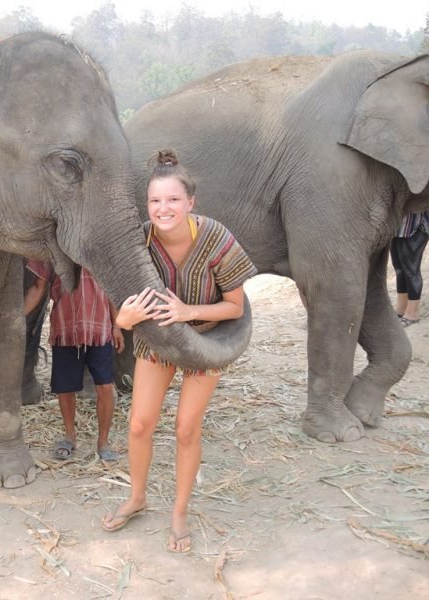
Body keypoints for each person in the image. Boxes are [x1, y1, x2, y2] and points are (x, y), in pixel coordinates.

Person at [100, 149, 257, 553]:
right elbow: (121, 312)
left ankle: (180, 511)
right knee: (139, 424)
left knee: (187, 427)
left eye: (172, 200)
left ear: (190, 202)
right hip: (158, 343)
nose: (163, 208)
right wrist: (124, 320)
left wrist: (190, 311)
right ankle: (137, 498)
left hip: (206, 343)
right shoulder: (139, 241)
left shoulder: (217, 238)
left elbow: (235, 307)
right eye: (155, 201)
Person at [24, 260, 124, 462]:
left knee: (105, 386)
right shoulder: (52, 251)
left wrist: (117, 326)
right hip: (65, 329)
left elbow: (111, 291)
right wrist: (16, 317)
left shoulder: (100, 250)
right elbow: (38, 286)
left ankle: (103, 442)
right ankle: (69, 437)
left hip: (100, 329)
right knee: (65, 388)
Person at [390, 210, 429, 327]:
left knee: (411, 270)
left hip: (417, 225)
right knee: (399, 269)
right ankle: (401, 309)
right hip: (398, 225)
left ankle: (412, 313)